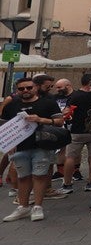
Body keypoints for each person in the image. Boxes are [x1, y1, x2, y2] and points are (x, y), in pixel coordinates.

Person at [1, 77, 65, 223]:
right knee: (23, 177)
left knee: (39, 176)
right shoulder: (12, 105)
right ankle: (23, 206)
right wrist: (8, 144)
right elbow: (4, 126)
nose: (25, 91)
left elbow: (60, 122)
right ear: (17, 90)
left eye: (29, 88)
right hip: (19, 146)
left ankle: (37, 206)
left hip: (42, 145)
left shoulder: (47, 102)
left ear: (35, 88)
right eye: (22, 89)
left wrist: (41, 120)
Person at [60, 75, 91, 196]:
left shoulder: (77, 96)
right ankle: (90, 183)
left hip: (77, 130)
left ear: (90, 84)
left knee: (70, 157)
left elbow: (67, 111)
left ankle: (67, 184)